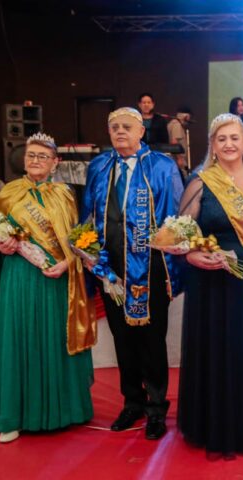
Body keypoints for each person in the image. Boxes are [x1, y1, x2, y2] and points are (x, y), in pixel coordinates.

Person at [177, 113, 243, 458]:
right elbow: (181, 232)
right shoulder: (199, 182)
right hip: (210, 281)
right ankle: (211, 426)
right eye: (221, 138)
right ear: (212, 144)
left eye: (234, 138)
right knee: (213, 350)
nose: (228, 144)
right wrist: (192, 255)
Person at [0, 133, 96, 443]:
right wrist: (1, 246)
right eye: (31, 155)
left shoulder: (64, 194)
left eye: (43, 156)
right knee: (19, 338)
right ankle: (13, 417)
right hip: (19, 276)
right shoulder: (9, 193)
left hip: (57, 278)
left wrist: (68, 263)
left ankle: (64, 412)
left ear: (55, 162)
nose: (36, 160)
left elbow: (75, 238)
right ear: (23, 160)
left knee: (56, 338)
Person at [82, 107, 184, 440]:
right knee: (122, 339)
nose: (120, 132)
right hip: (110, 267)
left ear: (142, 131)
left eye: (127, 126)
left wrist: (172, 259)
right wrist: (87, 252)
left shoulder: (162, 166)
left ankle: (156, 407)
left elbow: (177, 219)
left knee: (151, 340)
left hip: (151, 267)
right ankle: (132, 402)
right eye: (114, 127)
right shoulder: (99, 166)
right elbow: (87, 214)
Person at [167, 106, 192, 183]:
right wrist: (179, 158)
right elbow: (174, 142)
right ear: (186, 116)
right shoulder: (177, 125)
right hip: (177, 160)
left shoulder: (172, 124)